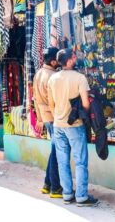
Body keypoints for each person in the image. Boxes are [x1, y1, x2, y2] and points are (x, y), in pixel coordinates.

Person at [48, 49, 98, 207]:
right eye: (74, 57)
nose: (76, 58)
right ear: (69, 61)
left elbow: (51, 104)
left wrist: (59, 114)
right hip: (75, 125)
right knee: (80, 161)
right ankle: (82, 196)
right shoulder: (79, 78)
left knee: (62, 161)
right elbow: (85, 103)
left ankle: (67, 194)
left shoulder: (53, 78)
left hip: (58, 124)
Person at [33, 47, 62, 198]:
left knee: (55, 150)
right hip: (54, 117)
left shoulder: (38, 74)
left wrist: (39, 118)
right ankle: (55, 188)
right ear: (53, 61)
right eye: (58, 59)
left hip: (46, 117)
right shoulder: (53, 76)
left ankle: (47, 184)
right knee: (57, 152)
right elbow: (54, 101)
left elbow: (36, 99)